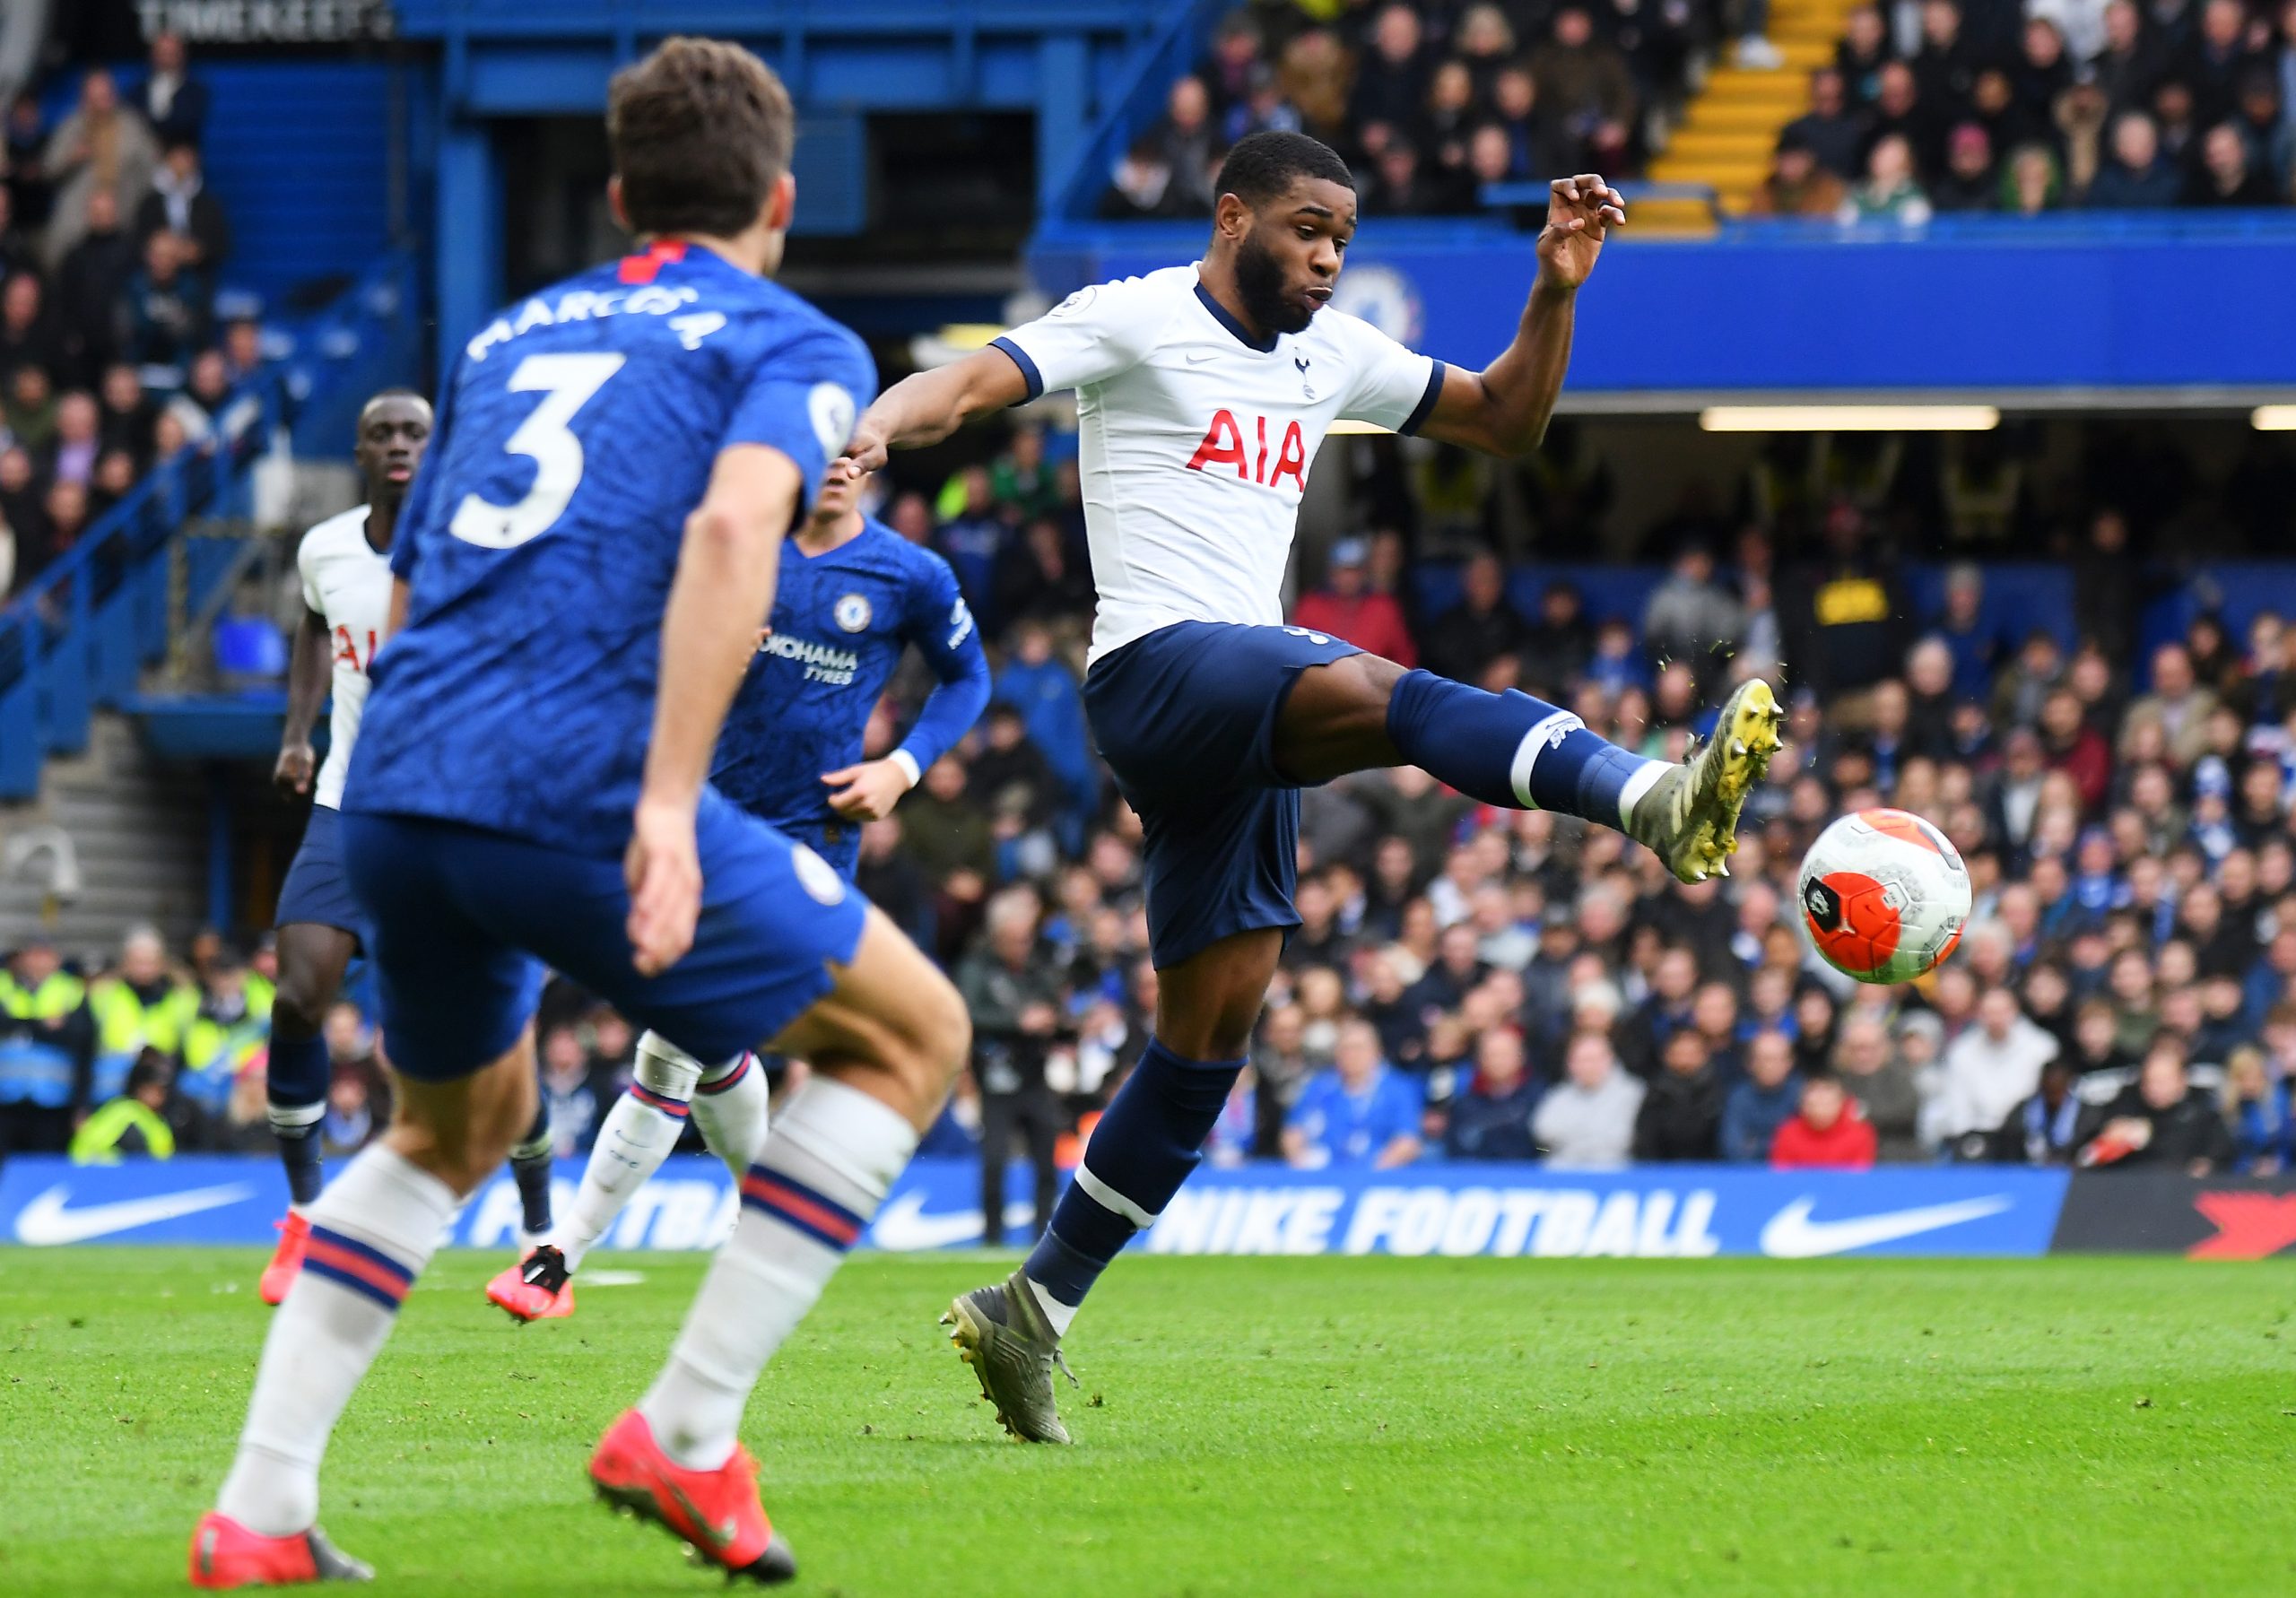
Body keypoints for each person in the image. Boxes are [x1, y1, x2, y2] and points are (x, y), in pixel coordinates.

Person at [841, 130, 1783, 1444]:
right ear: (1233, 218)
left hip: (1242, 711)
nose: (1329, 256)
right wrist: (879, 423)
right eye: (1306, 229)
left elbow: (1508, 421)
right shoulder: (1136, 317)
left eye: (1341, 234)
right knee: (1384, 693)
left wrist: (1557, 286)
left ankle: (1030, 1309)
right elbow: (975, 383)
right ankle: (1648, 800)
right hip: (1159, 670)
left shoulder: (1327, 352)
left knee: (1204, 1050)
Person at [189, 40, 970, 1587]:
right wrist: (666, 805)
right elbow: (743, 525)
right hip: (567, 779)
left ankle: (259, 1512)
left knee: (449, 1124)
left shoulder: (516, 329)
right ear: (782, 201)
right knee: (912, 1036)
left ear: (620, 197)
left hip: (401, 770)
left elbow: (412, 575)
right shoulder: (789, 338)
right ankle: (683, 1436)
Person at [489, 434, 989, 1318]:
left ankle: (559, 1254)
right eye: (822, 443)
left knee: (673, 1038)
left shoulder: (906, 574)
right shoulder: (732, 547)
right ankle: (771, 1217)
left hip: (806, 839)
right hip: (699, 823)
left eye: (853, 447)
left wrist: (902, 768)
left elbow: (966, 678)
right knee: (709, 1046)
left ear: (870, 459)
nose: (838, 460)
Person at [252, 391, 439, 1306]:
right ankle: (303, 1217)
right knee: (297, 997)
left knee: (450, 1031)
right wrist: (298, 732)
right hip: (345, 805)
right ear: (359, 448)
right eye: (383, 433)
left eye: (415, 433)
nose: (399, 445)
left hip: (445, 818)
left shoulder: (470, 546)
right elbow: (315, 627)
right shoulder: (325, 547)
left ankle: (527, 1226)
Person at [1282, 1019, 1423, 1170]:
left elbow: (1407, 1142)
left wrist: (1369, 1173)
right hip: (1322, 1175)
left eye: (1358, 1048)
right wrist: (1300, 1162)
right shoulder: (1319, 1087)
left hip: (1375, 1174)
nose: (1351, 1055)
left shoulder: (1398, 1089)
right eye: (1345, 1049)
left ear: (1377, 1052)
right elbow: (1293, 1132)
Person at [1533, 1029, 1644, 1168]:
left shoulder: (1633, 1093)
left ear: (1609, 1059)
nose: (1587, 1066)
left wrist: (1572, 1140)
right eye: (1580, 1060)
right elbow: (1543, 1135)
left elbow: (1623, 1139)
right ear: (1570, 1063)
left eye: (1592, 1060)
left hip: (1616, 1173)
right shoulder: (1558, 1095)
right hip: (1563, 1174)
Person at [1770, 1076, 1878, 1168]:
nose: (1820, 1110)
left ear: (1841, 1103)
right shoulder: (1787, 1133)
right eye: (1814, 1104)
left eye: (1827, 1104)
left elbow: (1860, 1178)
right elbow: (1782, 1177)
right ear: (1803, 1105)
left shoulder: (1861, 1134)